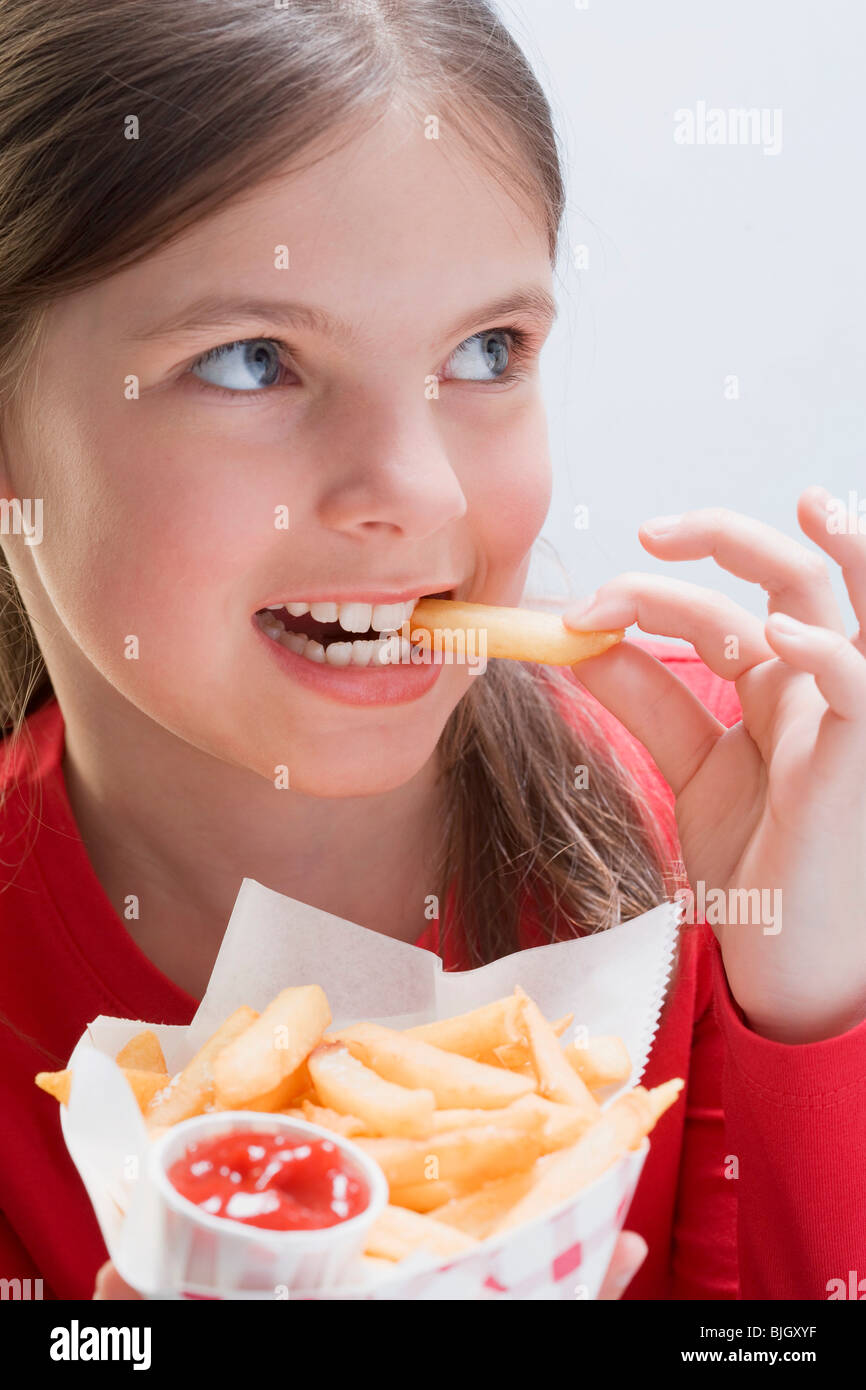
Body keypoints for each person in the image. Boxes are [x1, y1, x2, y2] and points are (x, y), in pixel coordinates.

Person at [0, 0, 863, 1303]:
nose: (419, 491)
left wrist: (807, 1001)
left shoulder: (763, 820)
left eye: (484, 351)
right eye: (251, 361)